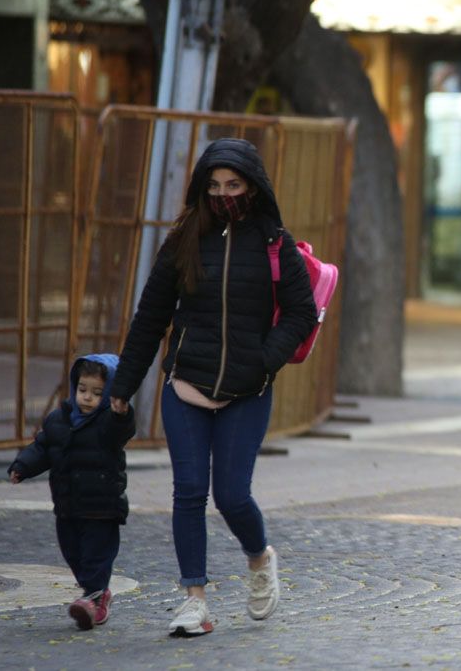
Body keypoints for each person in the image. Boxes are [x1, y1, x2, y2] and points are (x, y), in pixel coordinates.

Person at [110, 138, 317, 636]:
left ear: (252, 187)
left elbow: (301, 312)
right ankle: (194, 600)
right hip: (185, 385)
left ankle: (259, 557)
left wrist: (261, 363)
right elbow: (150, 317)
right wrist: (124, 385)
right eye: (215, 185)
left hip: (247, 391)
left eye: (234, 185)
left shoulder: (274, 241)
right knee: (188, 492)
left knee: (231, 496)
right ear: (203, 188)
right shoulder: (183, 239)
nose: (224, 194)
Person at [9, 354, 135, 630]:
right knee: (73, 553)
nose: (87, 397)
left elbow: (123, 430)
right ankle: (97, 593)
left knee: (95, 555)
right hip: (67, 505)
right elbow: (42, 448)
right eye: (83, 390)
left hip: (102, 508)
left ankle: (95, 599)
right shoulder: (59, 419)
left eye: (97, 393)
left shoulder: (109, 423)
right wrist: (22, 466)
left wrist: (121, 411)